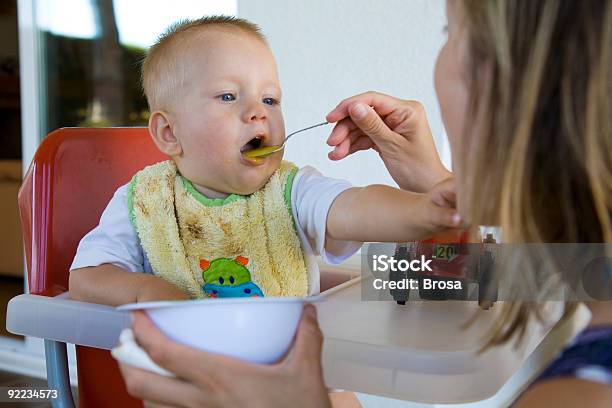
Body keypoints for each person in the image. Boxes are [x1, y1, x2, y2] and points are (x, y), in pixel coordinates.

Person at [118, 1, 612, 406]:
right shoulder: (582, 271)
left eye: (449, 31)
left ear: (515, 85)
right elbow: (504, 276)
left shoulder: (579, 395)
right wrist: (432, 185)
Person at [68, 16, 461, 307]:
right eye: (227, 96)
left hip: (292, 376)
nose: (258, 112)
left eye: (270, 100)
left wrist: (425, 208)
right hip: (192, 385)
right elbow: (86, 278)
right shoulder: (144, 203)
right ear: (170, 133)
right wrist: (146, 290)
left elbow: (356, 207)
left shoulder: (291, 191)